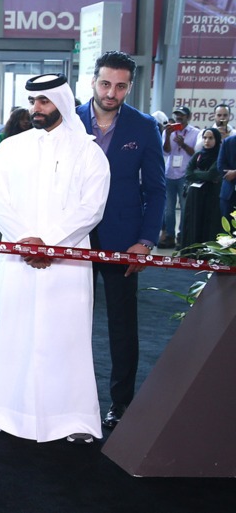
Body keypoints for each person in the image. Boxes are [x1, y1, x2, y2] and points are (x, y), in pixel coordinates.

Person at [0, 73, 110, 444]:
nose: (36, 109)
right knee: (13, 332)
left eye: (44, 102)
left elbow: (92, 208)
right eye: (33, 102)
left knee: (65, 338)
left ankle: (72, 420)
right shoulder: (11, 147)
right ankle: (2, 412)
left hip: (66, 260)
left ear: (62, 103)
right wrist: (26, 242)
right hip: (18, 256)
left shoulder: (88, 151)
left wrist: (48, 243)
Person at [75, 50, 166, 430]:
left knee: (122, 325)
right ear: (93, 81)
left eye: (121, 85)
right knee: (68, 320)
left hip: (122, 240)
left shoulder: (144, 127)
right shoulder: (69, 119)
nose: (112, 92)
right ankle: (68, 401)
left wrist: (145, 241)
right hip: (72, 237)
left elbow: (157, 190)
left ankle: (121, 403)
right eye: (105, 83)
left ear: (130, 86)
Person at [160, 106, 199, 249]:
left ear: (188, 117)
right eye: (177, 115)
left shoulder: (196, 133)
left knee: (184, 208)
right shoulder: (169, 131)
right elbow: (166, 151)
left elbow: (196, 154)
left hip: (185, 175)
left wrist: (183, 144)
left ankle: (182, 237)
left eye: (182, 116)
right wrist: (168, 137)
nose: (178, 118)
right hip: (169, 174)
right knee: (168, 208)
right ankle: (169, 236)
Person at [180, 128, 225, 248]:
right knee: (194, 222)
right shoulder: (199, 154)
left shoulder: (220, 155)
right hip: (196, 195)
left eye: (210, 138)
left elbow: (212, 174)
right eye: (205, 138)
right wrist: (203, 175)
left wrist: (197, 173)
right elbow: (188, 173)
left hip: (212, 196)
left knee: (209, 223)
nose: (207, 141)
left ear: (217, 139)